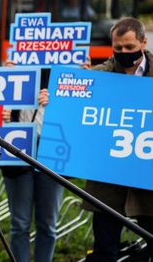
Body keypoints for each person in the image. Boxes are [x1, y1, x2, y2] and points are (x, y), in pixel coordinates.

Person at [83, 17, 153, 262]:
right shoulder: (99, 76)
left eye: (130, 48)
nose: (123, 53)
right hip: (109, 180)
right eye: (118, 48)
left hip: (148, 177)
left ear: (143, 43)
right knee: (104, 248)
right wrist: (76, 83)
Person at [1, 71, 62, 262]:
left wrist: (56, 103)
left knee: (48, 225)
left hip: (51, 154)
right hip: (19, 155)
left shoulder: (65, 76)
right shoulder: (13, 73)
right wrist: (7, 115)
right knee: (19, 223)